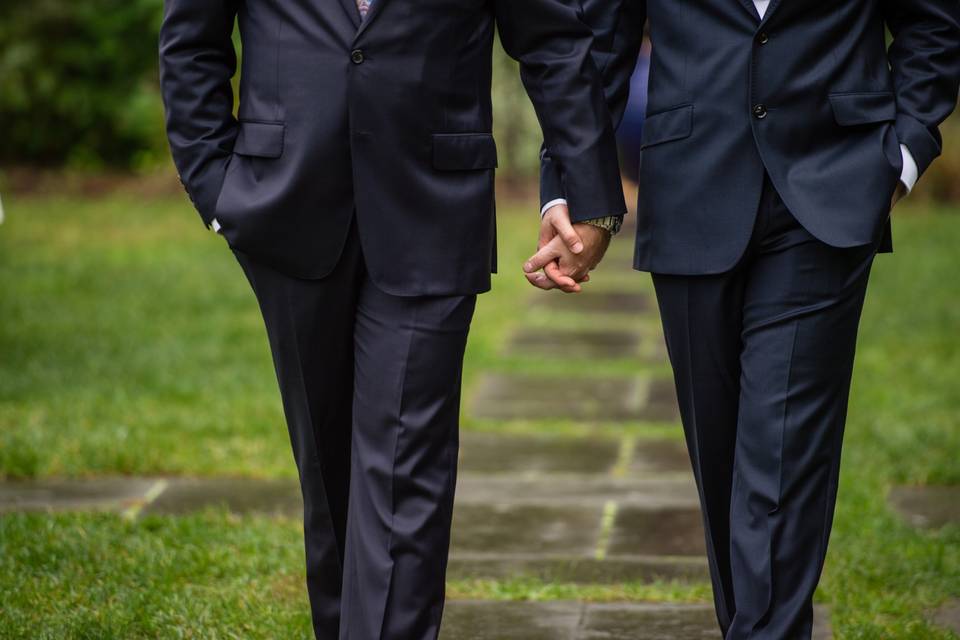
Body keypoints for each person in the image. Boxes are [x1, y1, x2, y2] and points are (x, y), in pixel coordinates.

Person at [158, 1, 626, 638]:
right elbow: (191, 41)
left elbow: (553, 41)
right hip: (284, 205)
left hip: (434, 203)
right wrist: (216, 191)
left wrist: (591, 199)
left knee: (405, 476)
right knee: (329, 479)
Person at [524, 0, 960, 637]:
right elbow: (600, 44)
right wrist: (578, 193)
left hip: (831, 187)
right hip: (689, 186)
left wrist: (901, 155)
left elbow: (935, 21)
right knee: (724, 461)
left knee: (779, 457)